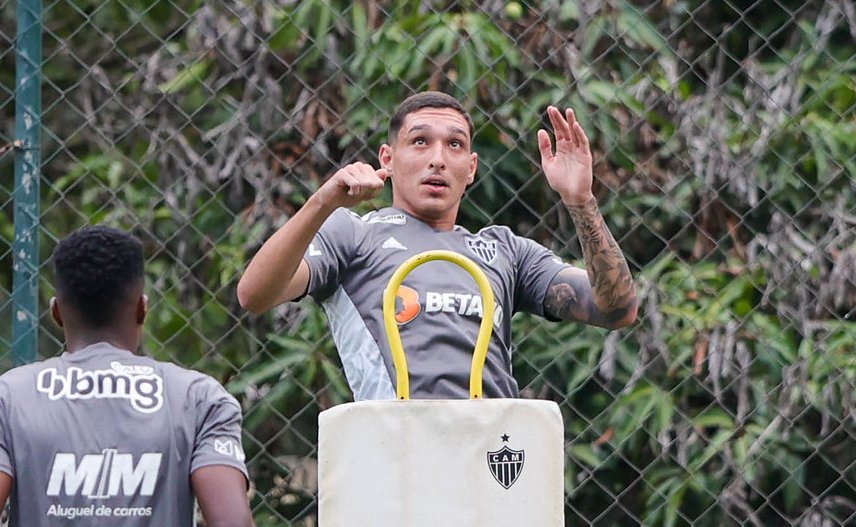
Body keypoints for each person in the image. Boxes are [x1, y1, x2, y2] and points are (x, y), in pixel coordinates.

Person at [237, 91, 638, 400]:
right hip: (397, 463)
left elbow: (617, 308)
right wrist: (322, 202)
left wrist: (580, 201)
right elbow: (254, 294)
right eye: (420, 142)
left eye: (455, 145)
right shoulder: (353, 234)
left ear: (471, 169)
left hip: (492, 464)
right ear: (388, 159)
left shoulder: (506, 251)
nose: (438, 159)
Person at [0, 226, 254, 527]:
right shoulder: (198, 398)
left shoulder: (11, 398)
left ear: (56, 313)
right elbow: (232, 522)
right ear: (142, 310)